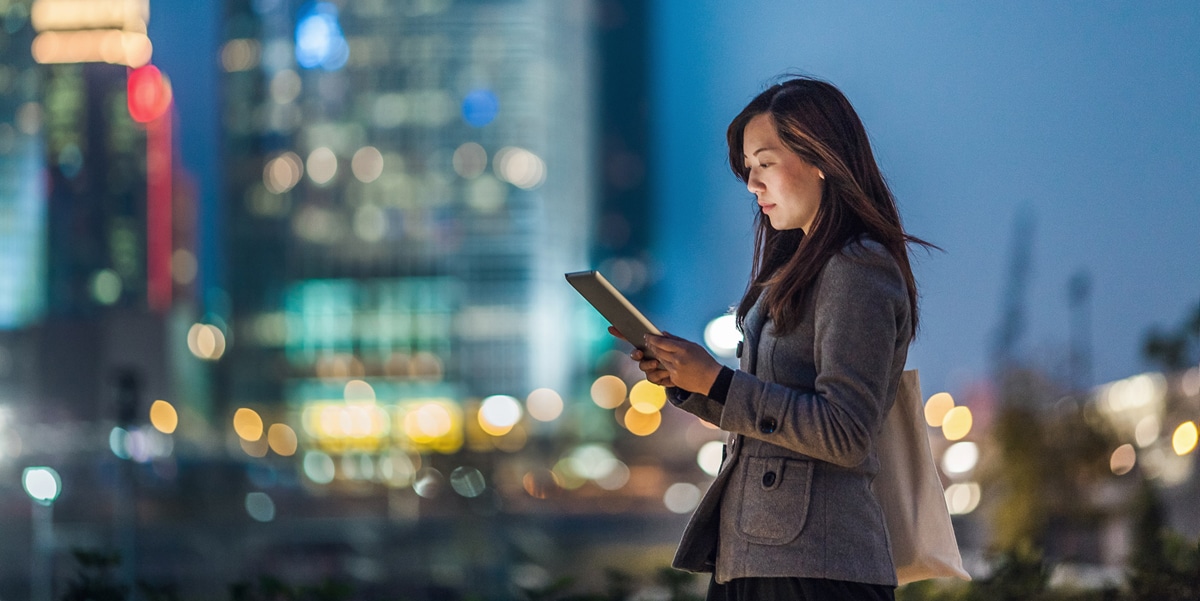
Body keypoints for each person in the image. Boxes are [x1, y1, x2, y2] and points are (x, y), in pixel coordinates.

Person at [616, 77, 933, 600]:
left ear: (821, 159)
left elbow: (845, 432)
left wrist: (720, 381)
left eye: (765, 163)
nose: (751, 184)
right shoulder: (795, 268)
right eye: (747, 168)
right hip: (757, 556)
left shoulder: (858, 269)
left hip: (818, 568)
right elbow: (767, 418)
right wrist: (692, 383)